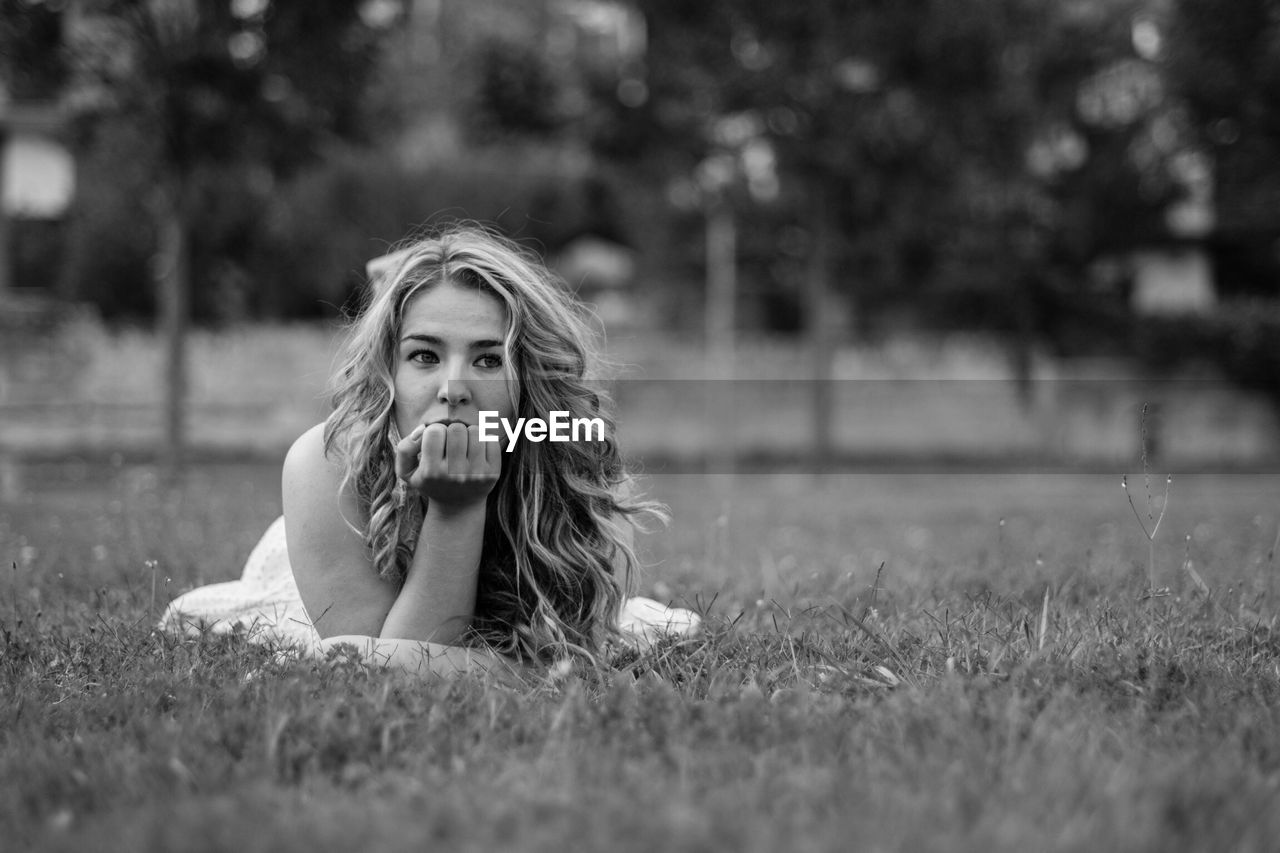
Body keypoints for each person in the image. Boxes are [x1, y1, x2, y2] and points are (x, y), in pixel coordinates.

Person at [160, 224, 698, 676]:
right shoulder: (326, 463)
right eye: (423, 356)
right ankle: (391, 289)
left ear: (530, 377)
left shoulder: (577, 454)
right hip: (325, 556)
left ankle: (400, 288)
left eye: (489, 360)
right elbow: (378, 667)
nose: (453, 388)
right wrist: (456, 509)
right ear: (386, 371)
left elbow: (564, 657)